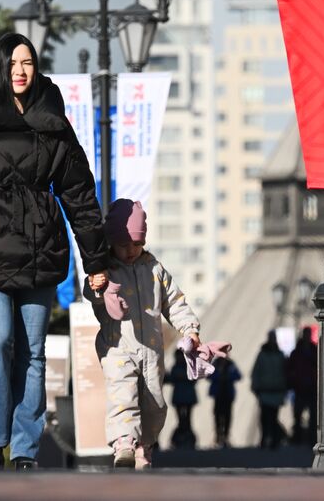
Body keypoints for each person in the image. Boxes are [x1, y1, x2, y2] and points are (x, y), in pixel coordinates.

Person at [0, 33, 110, 471]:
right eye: (12, 62)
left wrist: (96, 262)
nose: (20, 70)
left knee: (32, 351)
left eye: (27, 61)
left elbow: (80, 195)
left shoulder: (54, 120)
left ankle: (26, 450)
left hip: (39, 248)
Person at [84, 198, 203, 468]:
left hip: (151, 349)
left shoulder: (155, 270)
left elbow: (174, 303)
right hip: (117, 347)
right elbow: (92, 294)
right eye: (124, 244)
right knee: (122, 393)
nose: (131, 250)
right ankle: (124, 442)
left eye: (137, 244)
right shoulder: (106, 270)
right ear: (112, 242)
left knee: (154, 403)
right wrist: (97, 286)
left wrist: (190, 330)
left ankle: (144, 445)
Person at [251, 333, 289, 449]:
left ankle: (273, 439)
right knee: (264, 417)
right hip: (265, 391)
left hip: (276, 391)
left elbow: (285, 373)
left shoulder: (280, 355)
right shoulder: (262, 355)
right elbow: (256, 372)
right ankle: (265, 438)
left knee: (273, 417)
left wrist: (284, 388)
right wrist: (256, 387)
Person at [286, 328, 317, 445]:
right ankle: (297, 439)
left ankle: (312, 439)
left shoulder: (314, 350)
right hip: (299, 388)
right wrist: (292, 382)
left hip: (312, 388)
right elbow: (289, 369)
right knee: (297, 415)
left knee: (313, 416)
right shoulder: (296, 352)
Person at [165, 349, 199, 449]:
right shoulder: (176, 367)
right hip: (179, 397)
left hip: (187, 397)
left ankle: (187, 439)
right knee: (180, 419)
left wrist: (181, 377)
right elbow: (170, 379)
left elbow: (195, 379)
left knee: (187, 419)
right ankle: (182, 439)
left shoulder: (188, 366)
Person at [208, 356, 243, 447]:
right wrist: (218, 376)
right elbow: (208, 375)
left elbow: (238, 376)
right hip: (218, 394)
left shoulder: (231, 365)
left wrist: (227, 377)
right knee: (217, 415)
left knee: (227, 416)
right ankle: (218, 435)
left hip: (228, 394)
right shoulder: (215, 364)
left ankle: (226, 436)